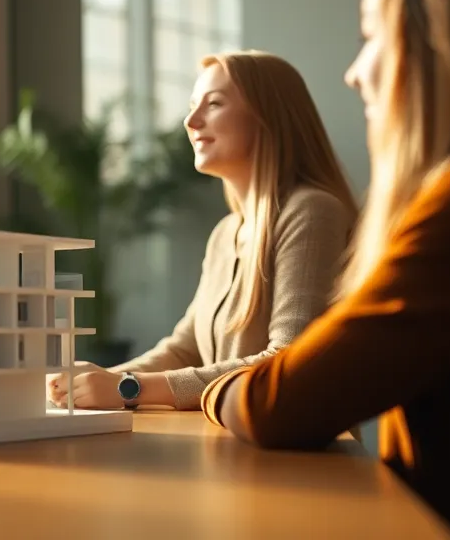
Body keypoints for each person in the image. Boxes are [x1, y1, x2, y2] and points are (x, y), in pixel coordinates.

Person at [202, 0, 450, 539]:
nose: (355, 71)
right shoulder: (227, 231)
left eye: (372, 38)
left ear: (437, 49)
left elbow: (279, 399)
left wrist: (159, 391)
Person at [49, 50, 358, 411]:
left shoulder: (311, 212)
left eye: (214, 104)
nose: (191, 121)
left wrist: (127, 388)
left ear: (269, 117)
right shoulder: (226, 234)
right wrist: (96, 382)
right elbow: (184, 349)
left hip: (298, 461)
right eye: (192, 105)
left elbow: (287, 361)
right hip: (235, 450)